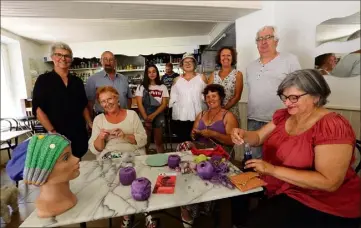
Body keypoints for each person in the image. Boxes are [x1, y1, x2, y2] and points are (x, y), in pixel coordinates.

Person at [231, 69, 361, 228]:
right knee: (235, 192)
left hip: (322, 200)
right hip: (284, 185)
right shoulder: (285, 115)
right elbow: (258, 137)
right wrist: (243, 134)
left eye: (294, 97)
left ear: (316, 96)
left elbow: (329, 183)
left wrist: (272, 169)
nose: (286, 103)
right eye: (284, 97)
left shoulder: (332, 125)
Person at [179, 84, 238, 227]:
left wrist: (213, 134)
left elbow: (232, 140)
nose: (210, 99)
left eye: (214, 96)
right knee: (182, 148)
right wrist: (193, 135)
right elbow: (193, 136)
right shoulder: (201, 114)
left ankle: (204, 207)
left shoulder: (227, 115)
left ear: (221, 98)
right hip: (201, 150)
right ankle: (186, 204)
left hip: (220, 151)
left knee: (204, 166)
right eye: (208, 97)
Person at [246, 25, 301, 158]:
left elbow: (300, 89)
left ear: (276, 41)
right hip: (253, 120)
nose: (263, 42)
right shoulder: (250, 66)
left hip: (281, 120)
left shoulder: (290, 60)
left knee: (279, 159)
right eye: (259, 39)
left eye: (268, 37)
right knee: (255, 160)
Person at [32, 42, 91, 159]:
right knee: (59, 165)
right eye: (59, 55)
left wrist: (89, 123)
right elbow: (38, 109)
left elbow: (83, 105)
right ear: (52, 57)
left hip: (78, 132)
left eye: (67, 56)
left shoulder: (77, 81)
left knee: (77, 163)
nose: (63, 58)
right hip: (56, 133)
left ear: (71, 59)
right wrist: (52, 131)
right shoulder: (43, 81)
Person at [88, 86, 147, 160]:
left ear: (116, 98)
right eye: (103, 101)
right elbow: (96, 150)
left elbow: (143, 140)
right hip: (108, 159)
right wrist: (100, 138)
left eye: (109, 99)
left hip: (133, 156)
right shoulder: (98, 119)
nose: (107, 103)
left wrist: (125, 136)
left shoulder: (132, 115)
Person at [169, 53, 207, 142]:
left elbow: (207, 96)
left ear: (195, 64)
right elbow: (172, 99)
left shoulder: (202, 77)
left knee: (199, 143)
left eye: (190, 61)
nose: (188, 64)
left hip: (199, 116)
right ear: (182, 65)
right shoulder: (176, 80)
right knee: (184, 143)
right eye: (185, 62)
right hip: (181, 117)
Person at [85, 51, 132, 116]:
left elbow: (129, 98)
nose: (108, 62)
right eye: (105, 59)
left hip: (122, 117)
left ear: (115, 62)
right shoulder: (93, 79)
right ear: (101, 61)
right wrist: (90, 121)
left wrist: (127, 114)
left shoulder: (123, 78)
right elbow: (89, 102)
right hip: (103, 118)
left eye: (111, 60)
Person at [135, 64, 169, 153]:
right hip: (144, 114)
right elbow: (139, 103)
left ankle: (161, 162)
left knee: (159, 142)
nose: (152, 74)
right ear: (146, 74)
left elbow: (164, 104)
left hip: (158, 115)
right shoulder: (141, 87)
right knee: (145, 142)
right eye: (149, 72)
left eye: (154, 71)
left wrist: (153, 115)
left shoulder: (163, 87)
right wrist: (146, 117)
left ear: (157, 73)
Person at [208, 46, 243, 123]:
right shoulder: (213, 75)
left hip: (231, 113)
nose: (226, 58)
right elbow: (207, 94)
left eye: (229, 55)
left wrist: (222, 110)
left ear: (233, 58)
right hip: (214, 113)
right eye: (223, 55)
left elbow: (237, 97)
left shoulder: (238, 74)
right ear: (219, 58)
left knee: (231, 134)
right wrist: (215, 110)